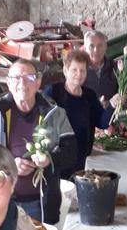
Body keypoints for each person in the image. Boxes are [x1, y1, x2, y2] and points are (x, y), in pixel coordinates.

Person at [0, 59, 77, 224]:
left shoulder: (55, 113)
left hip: (41, 203)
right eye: (16, 78)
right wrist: (9, 167)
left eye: (29, 78)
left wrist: (49, 159)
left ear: (38, 82)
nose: (22, 83)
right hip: (3, 201)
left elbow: (72, 153)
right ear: (9, 83)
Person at [46, 49, 112, 177]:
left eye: (82, 70)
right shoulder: (53, 92)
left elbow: (102, 123)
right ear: (65, 71)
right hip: (58, 157)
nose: (79, 74)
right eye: (74, 70)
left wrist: (112, 105)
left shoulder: (89, 95)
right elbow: (43, 124)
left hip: (80, 157)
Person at [83, 29, 120, 109]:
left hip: (111, 114)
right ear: (85, 49)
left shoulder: (115, 67)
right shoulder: (79, 70)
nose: (96, 50)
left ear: (106, 47)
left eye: (100, 45)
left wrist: (118, 99)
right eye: (91, 46)